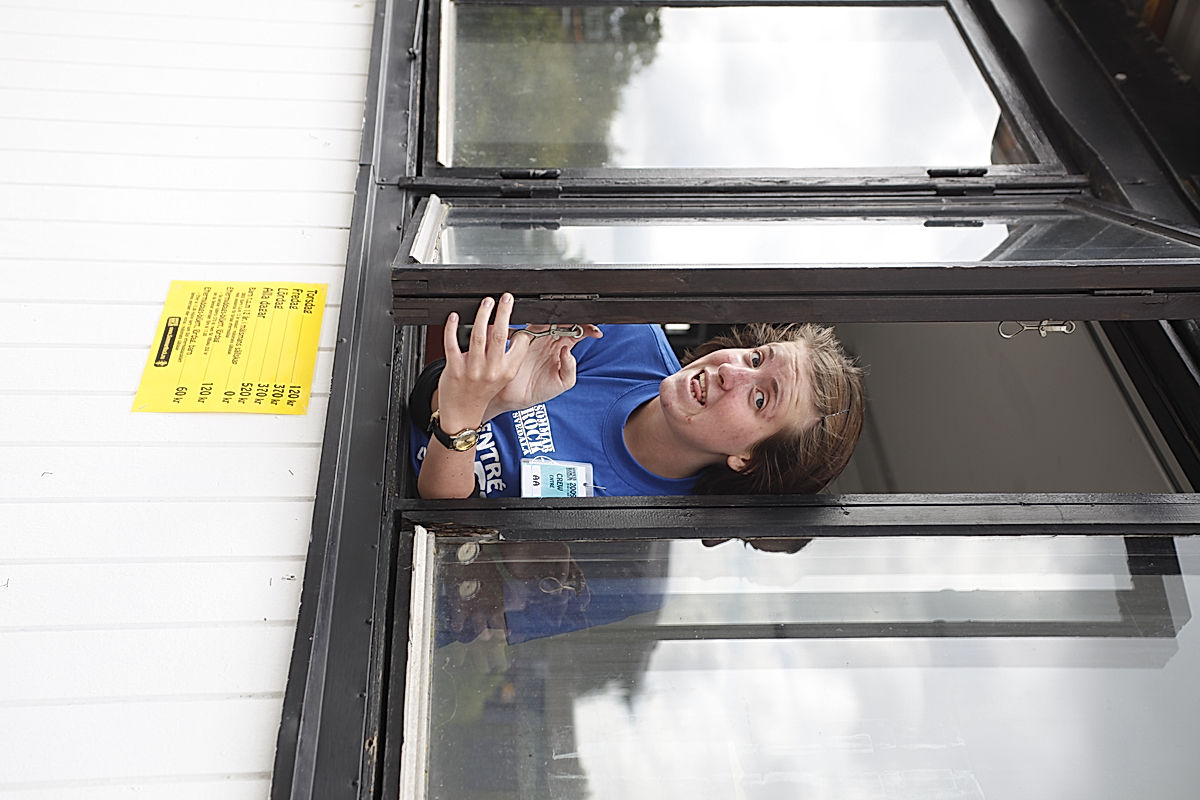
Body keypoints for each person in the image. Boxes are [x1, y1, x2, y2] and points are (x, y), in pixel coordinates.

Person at [410, 293, 864, 499]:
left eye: (761, 399)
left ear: (748, 459)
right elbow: (421, 397)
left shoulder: (639, 537)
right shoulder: (624, 335)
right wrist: (491, 399)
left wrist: (474, 409)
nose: (730, 371)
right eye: (756, 358)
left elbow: (442, 543)